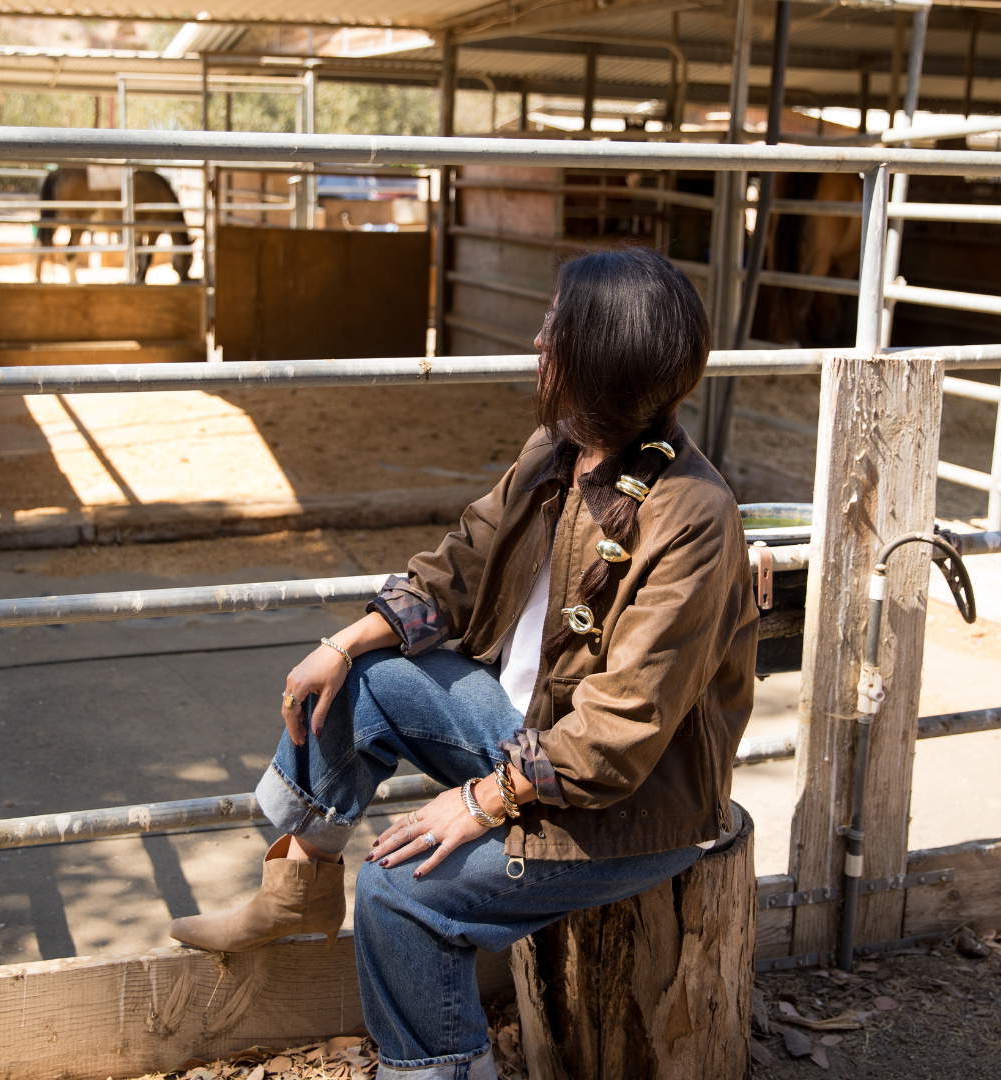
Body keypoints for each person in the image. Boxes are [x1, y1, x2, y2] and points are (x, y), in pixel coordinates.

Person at [169, 246, 759, 1080]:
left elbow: (618, 738)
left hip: (632, 803)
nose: (537, 338)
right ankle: (296, 885)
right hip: (530, 739)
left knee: (399, 892)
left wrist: (480, 802)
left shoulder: (693, 518)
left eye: (556, 326)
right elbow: (460, 562)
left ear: (594, 357)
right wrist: (344, 640)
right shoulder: (560, 449)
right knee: (362, 683)